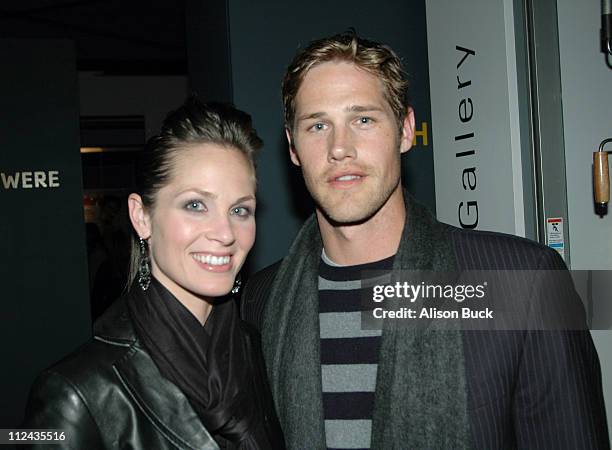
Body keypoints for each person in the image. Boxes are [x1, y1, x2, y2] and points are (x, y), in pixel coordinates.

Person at [241, 31, 610, 449]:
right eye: (318, 125)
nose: (339, 148)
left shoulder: (524, 283)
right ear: (293, 148)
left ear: (405, 131)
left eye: (363, 119)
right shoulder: (264, 299)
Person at [23, 98, 285, 449]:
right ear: (141, 216)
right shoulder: (75, 392)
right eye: (196, 205)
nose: (225, 233)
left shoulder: (257, 349)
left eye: (240, 209)